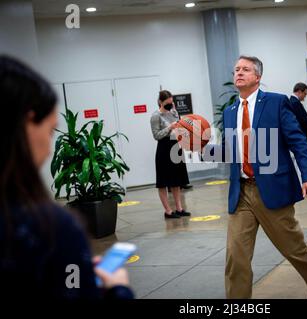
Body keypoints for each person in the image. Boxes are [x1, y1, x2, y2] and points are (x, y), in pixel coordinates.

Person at [0, 55, 133, 299]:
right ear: (27, 123)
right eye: (50, 131)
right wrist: (118, 288)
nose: (50, 149)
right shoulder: (48, 229)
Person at [202, 56, 307, 299]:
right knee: (236, 258)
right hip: (241, 194)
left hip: (272, 190)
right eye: (236, 69)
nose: (239, 72)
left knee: (294, 250)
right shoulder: (230, 113)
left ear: (258, 77)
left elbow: (298, 142)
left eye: (245, 69)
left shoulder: (276, 102)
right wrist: (199, 148)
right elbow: (232, 152)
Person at [150, 90, 191, 219]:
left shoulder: (174, 112)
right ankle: (168, 211)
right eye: (167, 103)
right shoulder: (155, 116)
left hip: (176, 146)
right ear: (160, 102)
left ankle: (179, 208)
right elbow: (156, 135)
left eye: (171, 103)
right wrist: (169, 128)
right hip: (164, 149)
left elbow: (179, 128)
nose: (170, 105)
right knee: (163, 182)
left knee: (176, 180)